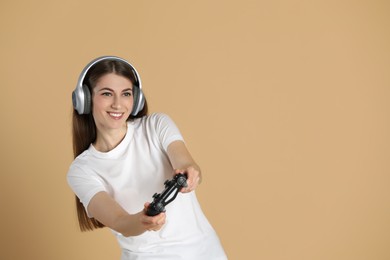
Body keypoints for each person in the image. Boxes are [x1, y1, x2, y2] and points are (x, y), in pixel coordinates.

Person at [67, 56, 227, 260]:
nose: (117, 104)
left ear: (136, 99)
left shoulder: (156, 125)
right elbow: (119, 221)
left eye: (126, 94)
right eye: (107, 94)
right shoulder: (82, 170)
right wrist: (142, 221)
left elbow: (184, 161)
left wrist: (190, 171)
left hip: (205, 252)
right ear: (85, 99)